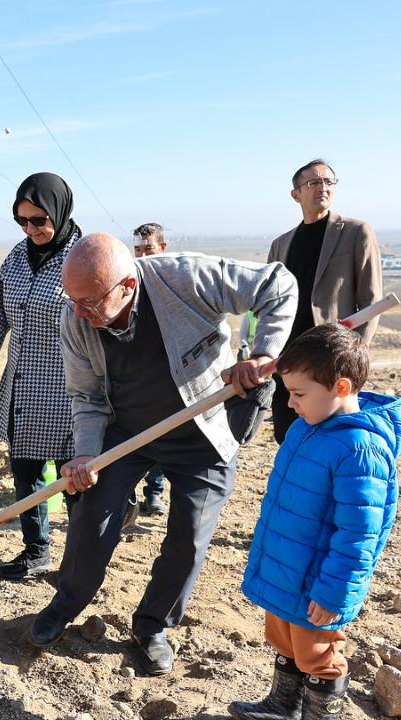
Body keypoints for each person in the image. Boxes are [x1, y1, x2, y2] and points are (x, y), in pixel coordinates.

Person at [26, 233, 297, 677]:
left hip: (201, 431)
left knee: (189, 536)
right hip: (125, 428)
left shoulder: (184, 278)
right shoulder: (75, 315)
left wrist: (264, 351)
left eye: (90, 302)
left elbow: (277, 285)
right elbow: (87, 395)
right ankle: (66, 602)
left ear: (127, 286)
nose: (78, 313)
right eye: (73, 300)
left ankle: (152, 625)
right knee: (91, 516)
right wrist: (86, 456)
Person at [231, 324, 401, 720]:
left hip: (318, 584)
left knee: (319, 653)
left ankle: (321, 713)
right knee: (284, 638)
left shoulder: (361, 450)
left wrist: (333, 594)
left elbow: (359, 535)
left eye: (298, 394)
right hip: (288, 569)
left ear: (340, 388)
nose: (290, 403)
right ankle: (283, 705)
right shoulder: (306, 429)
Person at [0, 172, 80, 579]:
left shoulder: (83, 257)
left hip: (68, 391)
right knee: (25, 474)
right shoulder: (16, 257)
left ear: (60, 213)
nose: (32, 229)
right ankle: (36, 549)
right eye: (23, 222)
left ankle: (79, 560)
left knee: (74, 481)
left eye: (40, 220)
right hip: (22, 387)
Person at [267, 159, 382, 443]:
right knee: (288, 435)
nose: (323, 187)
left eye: (329, 182)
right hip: (289, 359)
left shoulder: (356, 231)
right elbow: (267, 304)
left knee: (333, 439)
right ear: (296, 194)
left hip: (331, 357)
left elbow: (371, 300)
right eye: (314, 182)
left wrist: (353, 356)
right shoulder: (281, 244)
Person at [129, 222, 169, 517]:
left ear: (163, 249)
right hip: (134, 375)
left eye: (149, 249)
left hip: (167, 376)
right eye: (138, 250)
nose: (143, 256)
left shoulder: (174, 282)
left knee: (162, 436)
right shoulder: (128, 284)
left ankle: (154, 492)